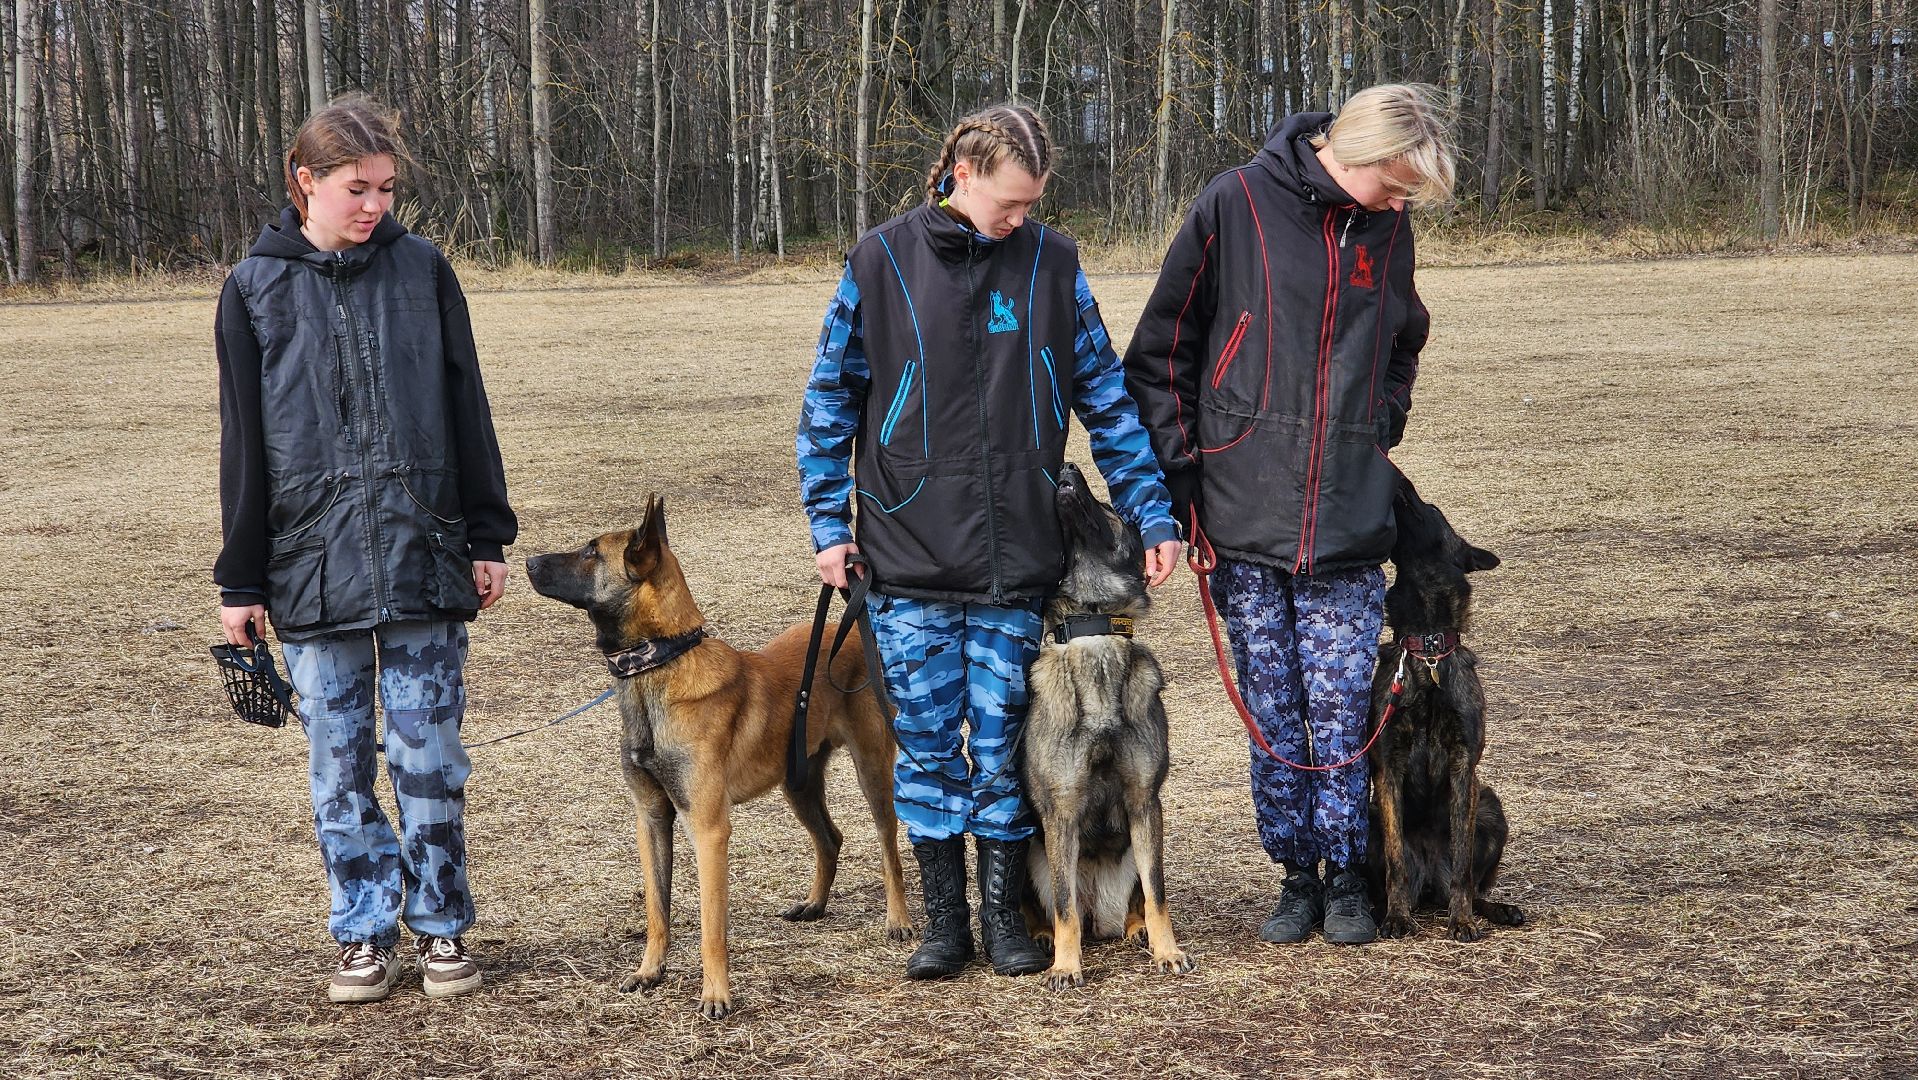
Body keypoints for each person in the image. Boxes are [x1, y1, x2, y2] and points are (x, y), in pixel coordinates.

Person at [797, 104, 1182, 980]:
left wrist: (1152, 514)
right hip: (907, 557)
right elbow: (827, 403)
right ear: (962, 173)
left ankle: (1007, 918)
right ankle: (945, 925)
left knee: (1011, 749)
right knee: (930, 748)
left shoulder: (1053, 265)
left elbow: (1107, 400)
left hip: (1019, 565)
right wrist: (828, 527)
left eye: (1032, 203)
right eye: (1009, 202)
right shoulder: (879, 262)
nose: (1020, 218)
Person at [1123, 84, 1457, 946]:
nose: (1401, 204)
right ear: (1355, 154)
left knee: (1343, 711)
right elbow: (1162, 352)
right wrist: (1184, 481)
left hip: (1350, 515)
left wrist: (1378, 422)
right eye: (1396, 185)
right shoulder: (1233, 203)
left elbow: (1405, 340)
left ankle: (1349, 874)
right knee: (1274, 714)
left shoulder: (1388, 230)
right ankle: (1296, 875)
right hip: (1240, 513)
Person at [214, 96, 516, 1002]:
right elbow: (243, 444)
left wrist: (487, 532)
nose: (376, 205)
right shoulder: (252, 289)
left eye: (386, 188)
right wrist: (239, 580)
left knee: (429, 759)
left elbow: (468, 406)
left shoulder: (424, 271)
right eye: (358, 189)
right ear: (305, 181)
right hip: (309, 564)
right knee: (338, 768)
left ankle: (442, 926)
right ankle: (363, 931)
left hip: (426, 550)